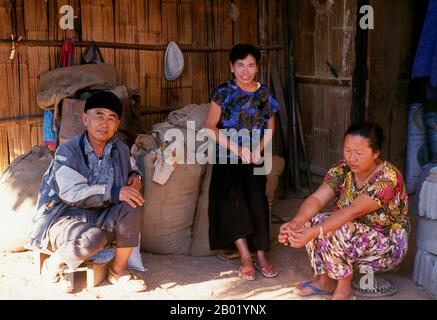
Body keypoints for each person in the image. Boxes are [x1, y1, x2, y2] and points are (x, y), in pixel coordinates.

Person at [29, 91, 147, 293]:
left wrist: (135, 176)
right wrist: (114, 192)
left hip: (100, 216)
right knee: (93, 238)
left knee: (133, 202)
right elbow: (70, 194)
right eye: (99, 116)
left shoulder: (120, 149)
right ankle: (54, 263)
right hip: (63, 218)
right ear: (85, 119)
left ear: (117, 125)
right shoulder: (68, 151)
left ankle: (119, 272)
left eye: (111, 118)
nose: (105, 123)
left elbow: (131, 167)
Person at [278, 121, 410, 300]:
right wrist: (295, 223)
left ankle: (344, 289)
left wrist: (315, 232)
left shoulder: (388, 179)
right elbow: (317, 198)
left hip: (386, 247)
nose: (352, 158)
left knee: (336, 226)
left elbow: (353, 211)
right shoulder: (342, 169)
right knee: (312, 219)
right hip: (351, 236)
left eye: (359, 153)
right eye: (347, 150)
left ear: (376, 153)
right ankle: (325, 281)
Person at [204, 44, 281, 281]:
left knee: (258, 199)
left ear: (257, 67)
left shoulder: (265, 94)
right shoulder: (223, 91)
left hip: (255, 154)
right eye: (240, 65)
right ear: (231, 67)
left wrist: (256, 151)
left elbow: (270, 129)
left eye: (250, 65)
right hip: (227, 153)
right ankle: (245, 256)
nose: (245, 71)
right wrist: (238, 149)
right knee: (232, 199)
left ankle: (261, 256)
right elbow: (209, 127)